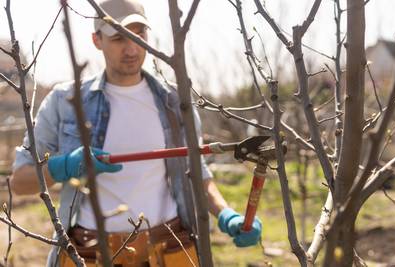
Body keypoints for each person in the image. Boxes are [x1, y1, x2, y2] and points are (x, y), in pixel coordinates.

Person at [10, 0, 262, 266]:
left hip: (170, 249)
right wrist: (63, 167)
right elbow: (20, 181)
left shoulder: (175, 101)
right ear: (97, 40)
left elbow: (196, 172)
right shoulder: (64, 102)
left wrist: (226, 214)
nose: (131, 47)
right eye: (119, 37)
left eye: (139, 35)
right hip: (90, 253)